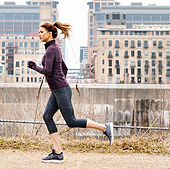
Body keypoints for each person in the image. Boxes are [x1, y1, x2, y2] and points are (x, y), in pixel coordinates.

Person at [27, 22, 114, 164]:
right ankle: (57, 153)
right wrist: (55, 84)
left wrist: (34, 67)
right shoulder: (54, 48)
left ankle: (105, 128)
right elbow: (64, 69)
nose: (39, 34)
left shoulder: (51, 49)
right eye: (39, 32)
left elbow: (48, 71)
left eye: (41, 32)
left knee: (71, 121)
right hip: (58, 89)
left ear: (50, 33)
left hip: (60, 90)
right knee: (47, 116)